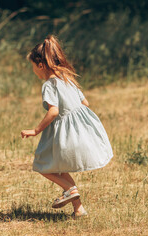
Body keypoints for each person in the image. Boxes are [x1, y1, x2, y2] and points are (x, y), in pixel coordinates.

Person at [21, 35, 113, 219]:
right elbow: (84, 103)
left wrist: (36, 130)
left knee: (42, 165)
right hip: (79, 131)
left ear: (40, 65)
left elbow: (54, 111)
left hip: (63, 134)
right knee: (61, 169)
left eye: (33, 67)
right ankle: (78, 209)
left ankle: (70, 189)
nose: (34, 71)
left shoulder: (49, 85)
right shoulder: (67, 79)